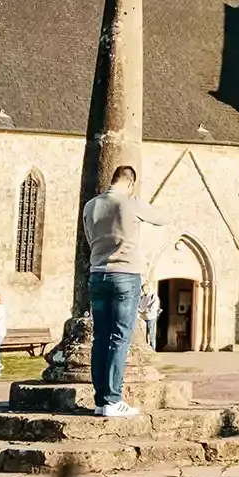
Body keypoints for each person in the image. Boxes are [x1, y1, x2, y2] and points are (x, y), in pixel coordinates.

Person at [82, 163, 167, 418]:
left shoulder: (91, 205)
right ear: (130, 183)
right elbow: (163, 219)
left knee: (100, 338)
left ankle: (101, 400)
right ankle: (113, 399)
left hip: (97, 274)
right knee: (119, 338)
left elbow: (89, 238)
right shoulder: (130, 202)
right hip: (125, 275)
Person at [140, 286, 160, 351]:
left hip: (151, 317)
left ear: (148, 289)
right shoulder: (142, 297)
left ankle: (152, 349)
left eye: (145, 289)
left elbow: (154, 307)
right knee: (144, 334)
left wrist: (146, 310)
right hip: (143, 317)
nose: (144, 291)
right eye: (143, 289)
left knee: (151, 334)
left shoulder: (153, 296)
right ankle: (147, 349)